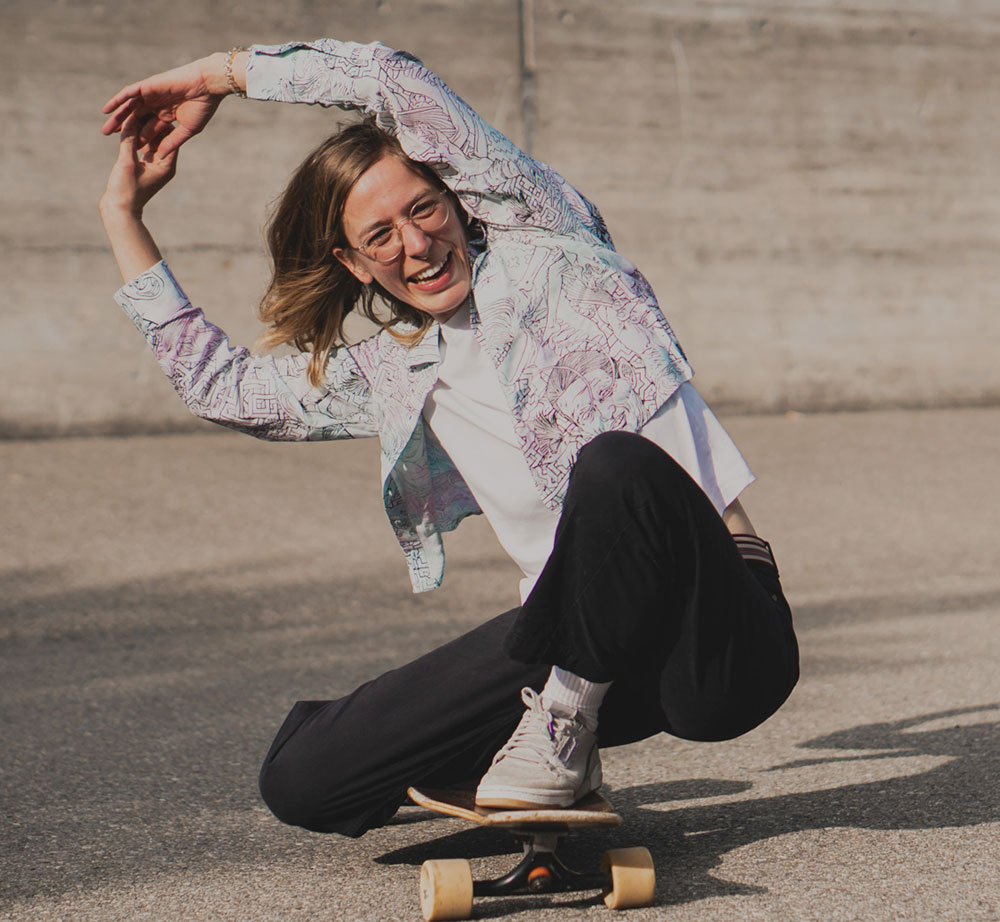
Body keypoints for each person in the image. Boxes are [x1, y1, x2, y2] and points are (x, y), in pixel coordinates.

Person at [99, 40, 798, 836]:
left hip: (716, 640)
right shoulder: (397, 371)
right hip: (573, 636)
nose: (416, 245)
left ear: (460, 200)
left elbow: (389, 80)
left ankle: (559, 729)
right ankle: (524, 750)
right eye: (380, 237)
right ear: (355, 264)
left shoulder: (550, 245)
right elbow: (222, 389)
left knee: (613, 465)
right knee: (305, 780)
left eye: (422, 210)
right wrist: (123, 218)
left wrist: (217, 76)